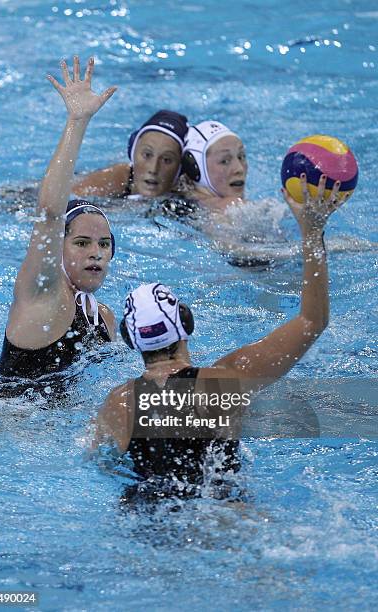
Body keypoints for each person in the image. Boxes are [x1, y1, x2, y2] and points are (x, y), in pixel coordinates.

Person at [91, 174, 346, 500]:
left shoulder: (117, 404)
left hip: (146, 524)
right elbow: (313, 320)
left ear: (132, 340)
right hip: (221, 518)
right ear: (186, 324)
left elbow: (101, 463)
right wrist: (312, 233)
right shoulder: (224, 380)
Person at [0, 56, 117, 380]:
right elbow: (51, 213)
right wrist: (77, 122)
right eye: (81, 242)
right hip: (4, 422)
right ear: (58, 249)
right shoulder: (43, 294)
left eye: (104, 244)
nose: (96, 252)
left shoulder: (104, 319)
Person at [72, 109, 188, 199]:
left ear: (180, 167)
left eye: (166, 160)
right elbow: (60, 203)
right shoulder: (116, 178)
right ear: (132, 152)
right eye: (147, 155)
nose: (153, 169)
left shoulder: (188, 192)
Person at [181, 120, 248, 212]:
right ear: (195, 170)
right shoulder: (232, 207)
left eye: (241, 157)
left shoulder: (171, 202)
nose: (239, 169)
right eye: (224, 161)